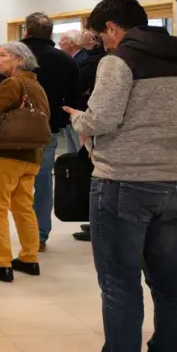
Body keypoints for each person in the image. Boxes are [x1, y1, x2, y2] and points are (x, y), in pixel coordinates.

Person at [56, 0, 177, 352]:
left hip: (123, 181)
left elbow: (101, 119)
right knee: (168, 276)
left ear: (114, 28)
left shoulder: (119, 62)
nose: (102, 43)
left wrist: (76, 118)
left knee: (119, 281)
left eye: (101, 35)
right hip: (173, 181)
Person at [0, 12, 82, 252]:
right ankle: (39, 236)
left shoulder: (11, 64)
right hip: (46, 132)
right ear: (51, 33)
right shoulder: (65, 60)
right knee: (40, 182)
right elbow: (74, 99)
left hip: (8, 136)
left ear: (26, 32)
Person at [0, 42, 49, 282]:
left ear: (19, 59)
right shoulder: (36, 85)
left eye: (2, 56)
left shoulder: (11, 84)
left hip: (5, 154)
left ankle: (1, 262)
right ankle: (29, 257)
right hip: (31, 156)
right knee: (24, 207)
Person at [72, 31, 108, 243]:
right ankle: (94, 222)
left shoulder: (102, 63)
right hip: (89, 121)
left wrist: (82, 123)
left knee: (92, 172)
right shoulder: (100, 61)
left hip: (91, 123)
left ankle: (96, 224)